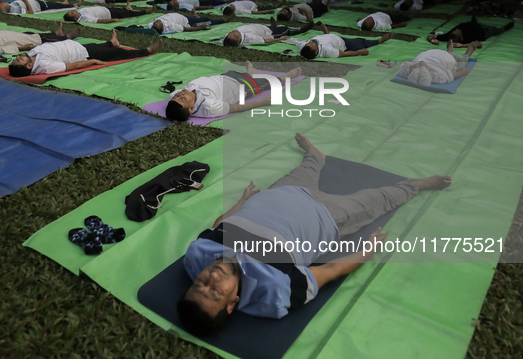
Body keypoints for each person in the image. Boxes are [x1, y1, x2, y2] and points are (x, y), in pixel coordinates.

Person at [177, 133, 452, 335]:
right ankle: (415, 185)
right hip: (327, 216)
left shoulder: (196, 255)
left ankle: (314, 154)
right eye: (215, 292)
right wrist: (366, 251)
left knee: (309, 166)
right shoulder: (277, 291)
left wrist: (243, 200)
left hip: (281, 192)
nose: (211, 278)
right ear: (231, 304)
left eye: (200, 284)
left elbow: (220, 225)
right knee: (378, 199)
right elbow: (330, 270)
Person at [165, 61, 302, 120]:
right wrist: (261, 102)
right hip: (241, 87)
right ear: (191, 109)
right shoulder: (208, 107)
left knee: (240, 73)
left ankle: (250, 72)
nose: (180, 93)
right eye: (182, 98)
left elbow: (176, 98)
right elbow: (235, 107)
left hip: (223, 77)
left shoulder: (175, 97)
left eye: (178, 95)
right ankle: (284, 77)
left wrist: (177, 98)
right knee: (268, 83)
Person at [7, 29, 163, 77]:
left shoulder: (32, 55)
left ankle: (111, 43)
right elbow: (72, 66)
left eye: (17, 57)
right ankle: (146, 51)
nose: (19, 56)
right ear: (29, 66)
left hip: (75, 46)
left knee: (100, 46)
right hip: (83, 54)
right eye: (19, 60)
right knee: (118, 53)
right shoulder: (45, 67)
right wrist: (93, 62)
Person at [397, 40, 476, 85]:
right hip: (447, 58)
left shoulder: (405, 69)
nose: (421, 63)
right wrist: (464, 71)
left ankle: (450, 50)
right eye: (422, 65)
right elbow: (453, 76)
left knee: (452, 56)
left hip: (435, 54)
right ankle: (468, 52)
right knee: (463, 61)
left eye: (416, 66)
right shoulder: (438, 76)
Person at [298, 24, 393, 59]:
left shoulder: (303, 47)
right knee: (360, 41)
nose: (310, 42)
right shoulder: (328, 51)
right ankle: (379, 40)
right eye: (311, 44)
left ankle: (327, 33)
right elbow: (345, 54)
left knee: (328, 38)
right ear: (316, 52)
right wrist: (360, 52)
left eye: (308, 42)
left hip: (329, 38)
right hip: (343, 43)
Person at [224, 12, 314, 47]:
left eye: (231, 32)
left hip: (261, 27)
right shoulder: (250, 38)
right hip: (269, 32)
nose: (234, 31)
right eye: (235, 34)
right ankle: (301, 30)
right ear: (239, 40)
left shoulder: (229, 37)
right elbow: (265, 41)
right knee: (285, 30)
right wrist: (280, 39)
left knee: (273, 27)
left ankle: (273, 25)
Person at [426, 16, 514, 48]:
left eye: (456, 30)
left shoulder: (449, 35)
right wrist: (463, 45)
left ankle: (473, 22)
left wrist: (432, 40)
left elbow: (430, 36)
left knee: (473, 23)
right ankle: (505, 28)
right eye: (457, 31)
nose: (456, 29)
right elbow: (479, 44)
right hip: (484, 30)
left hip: (472, 25)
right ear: (461, 38)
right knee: (497, 30)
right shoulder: (468, 38)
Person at [148, 11, 234, 34]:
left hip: (184, 17)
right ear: (163, 27)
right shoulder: (172, 26)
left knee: (196, 18)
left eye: (156, 22)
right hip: (188, 22)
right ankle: (224, 20)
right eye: (158, 23)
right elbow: (187, 28)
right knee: (207, 20)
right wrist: (201, 28)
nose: (157, 21)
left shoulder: (151, 25)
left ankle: (195, 17)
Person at [63, 4, 154, 23]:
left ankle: (126, 8)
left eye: (71, 11)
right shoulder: (84, 18)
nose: (72, 11)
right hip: (109, 14)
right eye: (72, 13)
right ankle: (145, 12)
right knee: (128, 14)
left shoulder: (79, 11)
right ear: (75, 19)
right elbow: (100, 21)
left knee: (121, 10)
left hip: (105, 9)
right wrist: (113, 20)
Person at [0, 0, 78, 14]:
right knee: (54, 5)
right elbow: (30, 12)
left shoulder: (11, 6)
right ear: (6, 10)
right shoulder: (14, 10)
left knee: (54, 4)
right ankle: (73, 5)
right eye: (3, 5)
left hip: (36, 2)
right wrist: (26, 1)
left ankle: (64, 3)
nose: (4, 2)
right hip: (39, 6)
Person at [166, 0, 235, 11]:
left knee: (210, 0)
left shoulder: (177, 0)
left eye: (173, 1)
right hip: (199, 2)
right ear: (177, 7)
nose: (175, 0)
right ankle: (225, 1)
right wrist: (208, 7)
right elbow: (196, 7)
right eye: (174, 2)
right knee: (213, 1)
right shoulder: (182, 6)